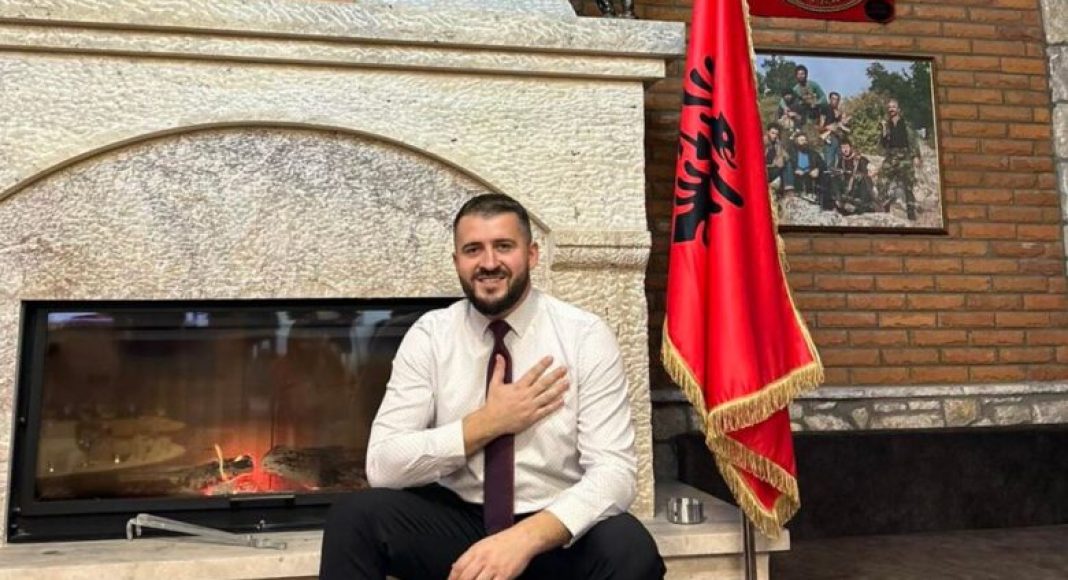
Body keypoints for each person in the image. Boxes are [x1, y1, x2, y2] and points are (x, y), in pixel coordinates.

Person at [319, 193, 665, 580]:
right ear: (457, 262)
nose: (488, 263)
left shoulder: (584, 336)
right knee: (354, 518)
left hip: (554, 526)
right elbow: (383, 466)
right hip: (459, 520)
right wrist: (488, 423)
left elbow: (615, 473)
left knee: (629, 546)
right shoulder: (431, 336)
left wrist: (523, 539)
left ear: (532, 255)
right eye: (473, 250)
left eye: (504, 246)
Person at [877, 98, 922, 220]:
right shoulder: (886, 124)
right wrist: (884, 132)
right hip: (891, 156)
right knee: (882, 181)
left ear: (898, 109)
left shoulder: (905, 123)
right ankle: (884, 209)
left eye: (893, 107)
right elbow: (883, 144)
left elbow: (913, 140)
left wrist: (916, 156)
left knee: (908, 185)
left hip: (904, 156)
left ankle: (911, 213)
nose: (891, 109)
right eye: (889, 107)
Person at [830, 139, 876, 215]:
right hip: (846, 186)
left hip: (859, 187)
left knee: (864, 179)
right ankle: (838, 201)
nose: (845, 150)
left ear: (851, 147)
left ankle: (862, 204)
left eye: (846, 147)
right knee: (833, 178)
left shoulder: (860, 159)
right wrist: (838, 172)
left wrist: (863, 174)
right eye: (843, 148)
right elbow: (838, 170)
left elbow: (873, 170)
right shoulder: (841, 160)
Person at [787, 132, 831, 210]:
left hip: (810, 175)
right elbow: (788, 164)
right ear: (796, 142)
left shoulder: (813, 153)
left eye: (805, 140)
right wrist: (795, 170)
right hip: (796, 177)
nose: (804, 142)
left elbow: (822, 164)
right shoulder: (791, 153)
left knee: (826, 176)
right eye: (801, 140)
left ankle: (826, 205)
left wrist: (817, 169)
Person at [764, 122, 788, 198]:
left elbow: (786, 156)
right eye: (773, 133)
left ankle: (786, 192)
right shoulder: (761, 142)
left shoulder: (777, 144)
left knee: (787, 165)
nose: (774, 136)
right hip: (762, 169)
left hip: (773, 169)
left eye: (776, 134)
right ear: (767, 132)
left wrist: (781, 157)